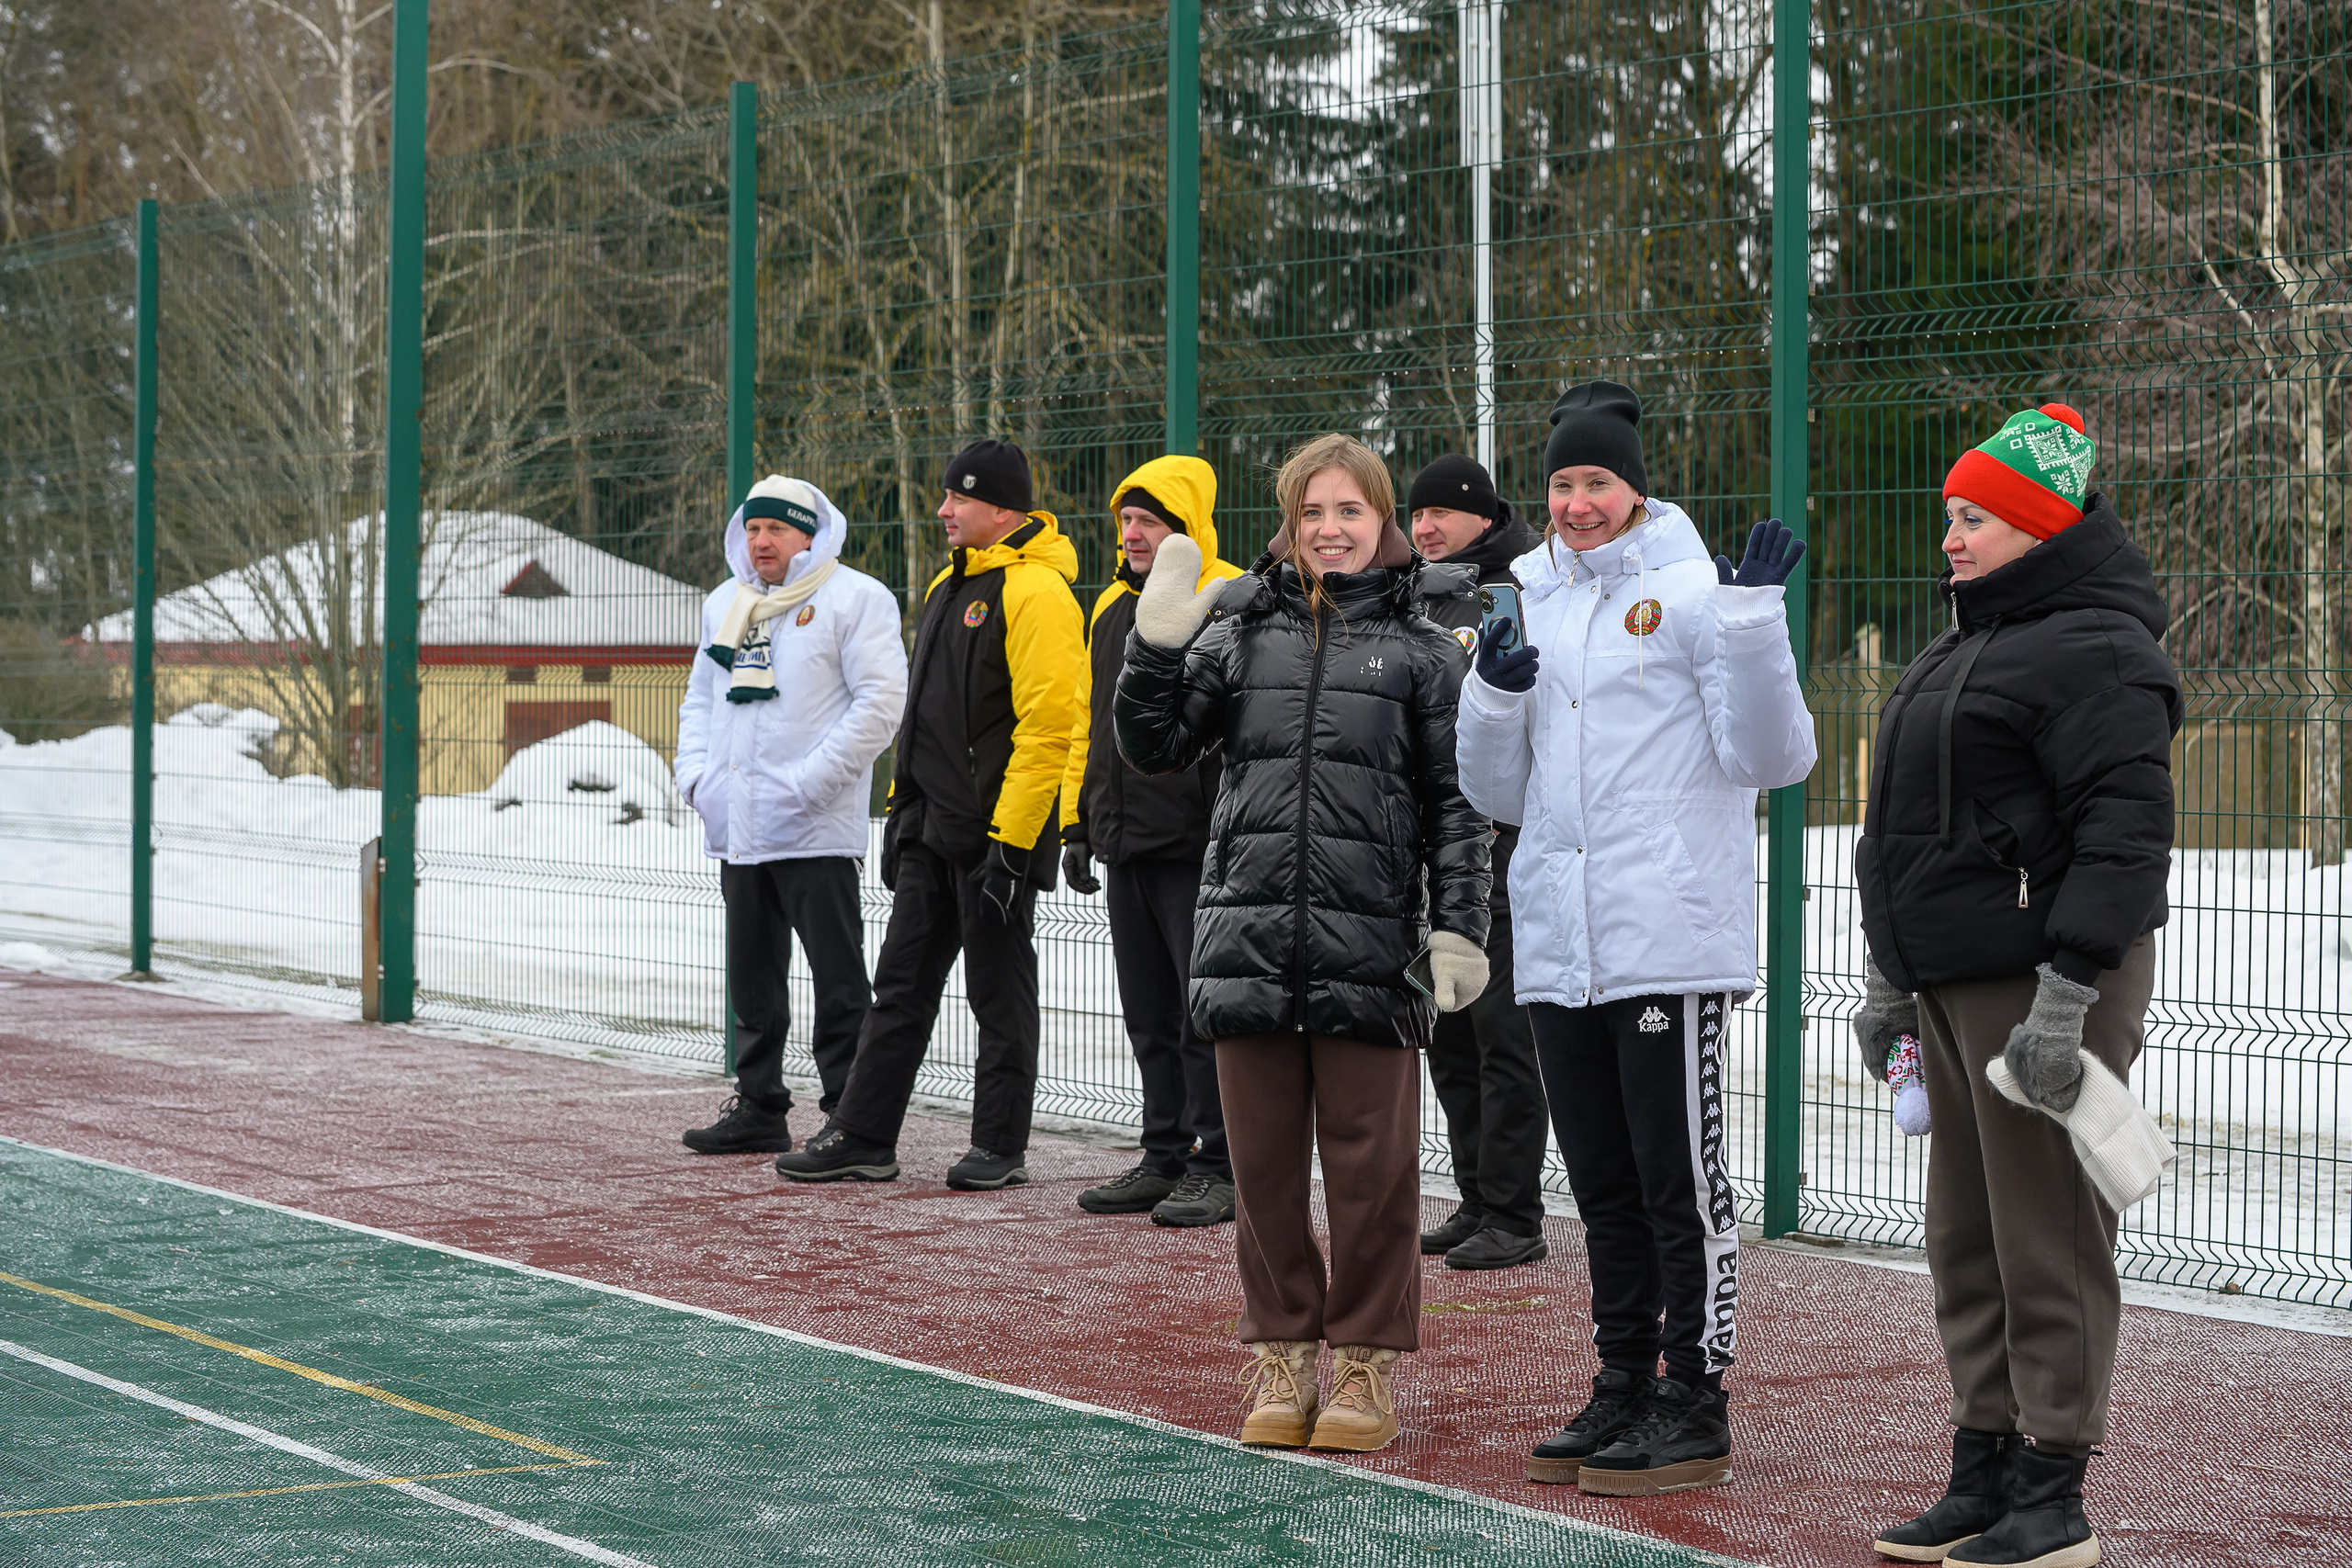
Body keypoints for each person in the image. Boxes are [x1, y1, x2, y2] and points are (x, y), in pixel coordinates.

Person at [1454, 380, 1815, 1496]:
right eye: (1560, 483)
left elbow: (1773, 757)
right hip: (1563, 942)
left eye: (1595, 482)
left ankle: (1693, 1397)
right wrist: (1491, 694)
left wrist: (1757, 620)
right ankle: (1621, 1381)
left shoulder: (1701, 594)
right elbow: (1491, 791)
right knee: (1601, 1182)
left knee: (1679, 1183)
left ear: (1634, 488)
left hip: (1667, 936)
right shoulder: (1533, 603)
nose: (1575, 503)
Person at [1114, 433, 1491, 1455]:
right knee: (1265, 1169)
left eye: (1351, 513)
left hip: (1372, 946)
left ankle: (1364, 1364)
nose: (1331, 530)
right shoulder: (1236, 632)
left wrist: (1460, 926)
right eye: (1312, 513)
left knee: (1373, 1173)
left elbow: (1458, 807)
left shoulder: (1424, 647)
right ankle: (1283, 1355)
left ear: (1382, 527)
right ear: (1288, 526)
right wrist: (1151, 646)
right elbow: (1154, 746)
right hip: (1245, 940)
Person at [1852, 405, 2179, 1568]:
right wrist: (1892, 982)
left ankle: (2054, 1491)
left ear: (2038, 525)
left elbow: (2125, 839)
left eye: (1973, 517)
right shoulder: (1962, 642)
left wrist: (2065, 996)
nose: (1950, 536)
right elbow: (1904, 828)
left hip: (2041, 983)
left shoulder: (2098, 648)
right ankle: (1980, 1468)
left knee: (2047, 1236)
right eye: (1949, 513)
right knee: (1967, 1238)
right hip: (1951, 983)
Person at [775, 439, 1085, 1191]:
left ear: (1003, 509)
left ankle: (999, 1144)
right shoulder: (951, 585)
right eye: (946, 496)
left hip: (994, 839)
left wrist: (1013, 847)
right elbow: (922, 716)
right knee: (901, 986)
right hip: (930, 831)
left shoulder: (1037, 592)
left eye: (959, 498)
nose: (943, 510)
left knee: (997, 991)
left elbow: (1051, 726)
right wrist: (899, 806)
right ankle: (864, 1133)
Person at [675, 476, 907, 1155]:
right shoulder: (727, 603)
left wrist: (810, 783)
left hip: (814, 826)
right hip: (738, 824)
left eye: (776, 529)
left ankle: (847, 1109)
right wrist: (697, 779)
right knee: (752, 973)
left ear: (810, 533)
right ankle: (759, 1102)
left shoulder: (856, 598)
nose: (761, 541)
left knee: (838, 980)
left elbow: (879, 705)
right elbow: (700, 699)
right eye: (752, 529)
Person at [1060, 457, 1245, 1228]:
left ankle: (1220, 1162)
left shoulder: (1226, 597)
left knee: (1204, 1012)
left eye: (1152, 521)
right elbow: (1089, 717)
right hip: (1125, 839)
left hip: (1198, 842)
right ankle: (1164, 1151)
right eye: (1126, 520)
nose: (1134, 534)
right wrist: (1077, 818)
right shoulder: (1108, 605)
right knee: (1147, 1012)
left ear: (1188, 528)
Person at [1405, 455, 1551, 1272]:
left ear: (1484, 515)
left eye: (1441, 514)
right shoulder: (1418, 590)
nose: (1425, 528)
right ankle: (1477, 1198)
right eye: (1416, 515)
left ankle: (1514, 1211)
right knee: (1448, 1033)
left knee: (1503, 1036)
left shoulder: (1519, 588)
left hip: (1499, 846)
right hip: (1431, 852)